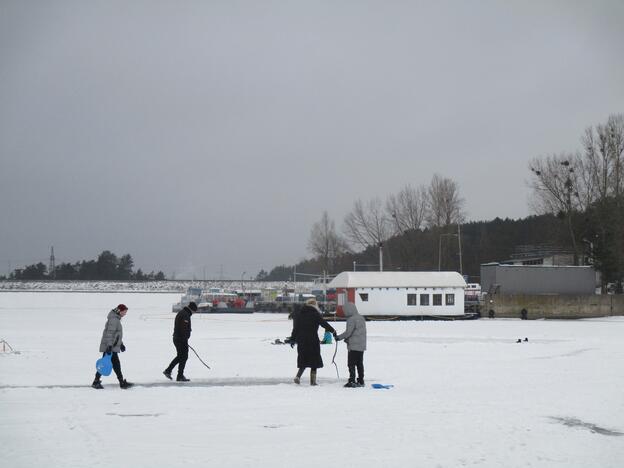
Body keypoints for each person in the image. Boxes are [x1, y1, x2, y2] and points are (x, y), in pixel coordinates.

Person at [289, 298, 336, 386]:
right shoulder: (315, 314)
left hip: (302, 340)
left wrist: (292, 339)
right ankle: (313, 381)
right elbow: (324, 324)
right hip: (312, 340)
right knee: (314, 360)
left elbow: (296, 328)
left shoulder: (300, 314)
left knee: (303, 359)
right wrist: (333, 331)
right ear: (315, 306)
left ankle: (298, 376)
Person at [91, 304, 133, 389]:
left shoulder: (116, 319)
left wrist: (121, 344)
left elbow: (116, 335)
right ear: (119, 311)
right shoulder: (114, 320)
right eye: (124, 312)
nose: (125, 314)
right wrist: (109, 346)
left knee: (114, 364)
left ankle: (120, 382)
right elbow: (109, 334)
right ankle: (96, 381)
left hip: (112, 346)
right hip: (110, 347)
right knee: (106, 364)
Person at [163, 301, 197, 382]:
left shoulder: (183, 313)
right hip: (180, 339)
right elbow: (183, 329)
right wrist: (184, 339)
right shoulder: (185, 315)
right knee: (184, 356)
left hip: (178, 338)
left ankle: (169, 371)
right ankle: (179, 376)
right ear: (192, 309)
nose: (194, 313)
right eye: (194, 311)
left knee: (180, 356)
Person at [335, 302, 367, 388]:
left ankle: (352, 380)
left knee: (351, 364)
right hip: (361, 345)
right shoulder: (361, 318)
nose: (344, 312)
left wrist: (339, 337)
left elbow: (348, 332)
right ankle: (361, 380)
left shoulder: (351, 319)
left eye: (345, 310)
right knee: (360, 363)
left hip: (353, 346)